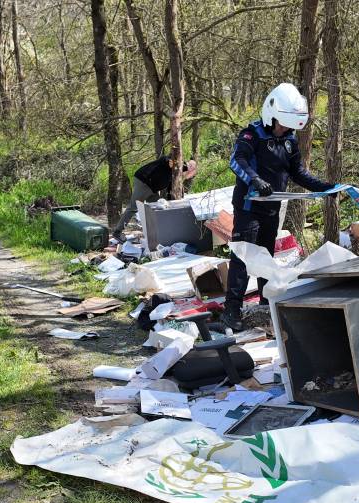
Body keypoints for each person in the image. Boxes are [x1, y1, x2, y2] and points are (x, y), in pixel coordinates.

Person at [222, 82, 337, 331]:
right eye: (281, 123)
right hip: (249, 206)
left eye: (288, 125)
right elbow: (236, 160)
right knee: (243, 258)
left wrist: (324, 187)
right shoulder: (251, 135)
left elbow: (298, 173)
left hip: (272, 208)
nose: (284, 129)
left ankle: (267, 302)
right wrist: (255, 179)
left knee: (266, 258)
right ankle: (231, 310)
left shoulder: (289, 141)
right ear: (271, 115)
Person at [114, 155, 198, 236]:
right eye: (191, 174)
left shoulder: (176, 172)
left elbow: (170, 189)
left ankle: (158, 232)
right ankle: (117, 232)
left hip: (152, 189)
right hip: (144, 182)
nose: (189, 177)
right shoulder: (177, 164)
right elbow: (165, 159)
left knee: (158, 207)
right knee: (133, 207)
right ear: (190, 168)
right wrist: (172, 162)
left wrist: (172, 204)